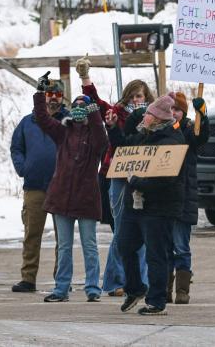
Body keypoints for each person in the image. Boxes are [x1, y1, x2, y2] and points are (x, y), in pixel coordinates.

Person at [76, 57, 153, 297]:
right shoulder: (115, 114)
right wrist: (84, 77)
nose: (135, 101)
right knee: (121, 230)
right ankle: (115, 281)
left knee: (143, 231)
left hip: (144, 178)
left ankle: (140, 281)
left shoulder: (153, 119)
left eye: (139, 96)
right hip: (116, 176)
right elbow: (95, 102)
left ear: (147, 98)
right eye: (132, 96)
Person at [107, 93, 186, 316]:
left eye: (149, 114)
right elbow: (122, 149)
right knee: (124, 245)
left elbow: (166, 179)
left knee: (156, 254)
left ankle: (156, 301)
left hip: (160, 207)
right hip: (137, 203)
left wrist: (136, 181)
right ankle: (135, 288)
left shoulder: (172, 141)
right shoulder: (144, 136)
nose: (144, 116)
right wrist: (112, 128)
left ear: (159, 118)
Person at [32, 73, 108, 302]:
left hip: (86, 199)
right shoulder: (62, 132)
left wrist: (92, 109)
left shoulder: (96, 137)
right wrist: (39, 93)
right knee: (64, 247)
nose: (78, 110)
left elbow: (103, 143)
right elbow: (43, 119)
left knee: (89, 245)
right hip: (61, 197)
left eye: (82, 107)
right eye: (75, 106)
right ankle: (61, 288)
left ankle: (93, 288)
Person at [10, 81, 68, 293]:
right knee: (32, 234)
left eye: (58, 94)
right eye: (50, 93)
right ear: (43, 96)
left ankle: (62, 279)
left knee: (63, 237)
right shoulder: (28, 122)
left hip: (61, 187)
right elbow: (16, 147)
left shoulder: (69, 121)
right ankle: (28, 278)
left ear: (62, 96)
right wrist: (23, 167)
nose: (53, 97)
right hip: (34, 186)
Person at [167, 92, 209, 305]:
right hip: (163, 199)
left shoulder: (189, 130)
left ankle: (182, 289)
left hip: (183, 198)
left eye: (177, 110)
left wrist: (202, 113)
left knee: (181, 246)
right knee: (164, 246)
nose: (173, 113)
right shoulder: (162, 130)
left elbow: (201, 137)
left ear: (183, 112)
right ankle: (163, 288)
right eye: (170, 109)